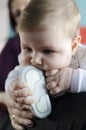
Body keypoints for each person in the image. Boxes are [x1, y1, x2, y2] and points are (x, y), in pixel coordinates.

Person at [5, 0, 86, 130]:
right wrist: (13, 90)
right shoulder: (26, 64)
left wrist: (74, 79)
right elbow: (12, 76)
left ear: (73, 46)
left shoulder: (82, 57)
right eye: (27, 49)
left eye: (47, 51)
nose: (35, 60)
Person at [0, 0, 30, 129]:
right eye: (17, 14)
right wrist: (9, 100)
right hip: (10, 116)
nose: (24, 16)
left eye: (29, 7)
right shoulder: (11, 48)